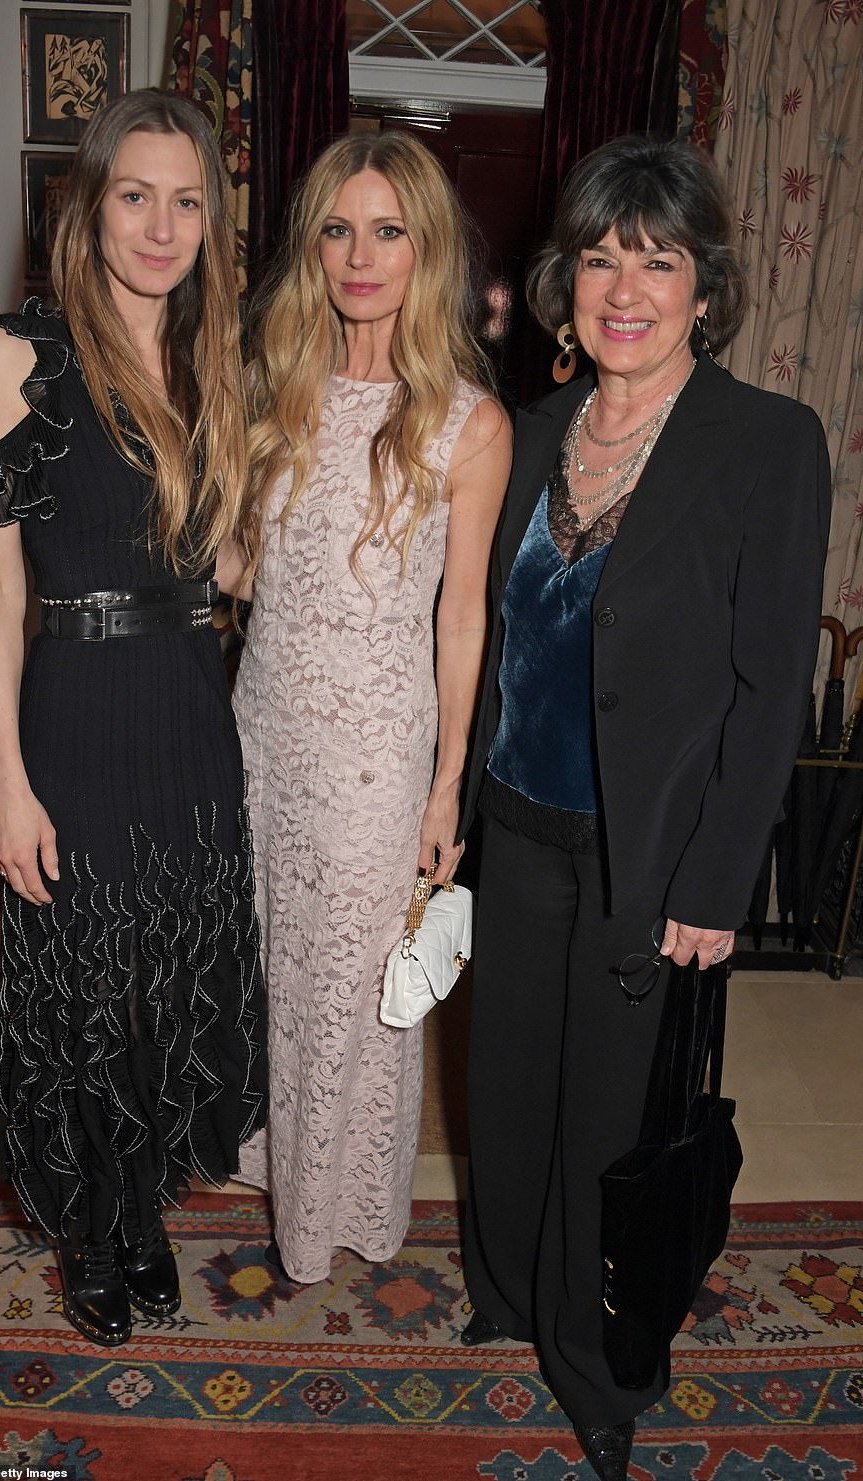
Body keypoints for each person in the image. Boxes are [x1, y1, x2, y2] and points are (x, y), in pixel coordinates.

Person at [456, 136, 831, 1479]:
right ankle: (503, 1293)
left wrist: (715, 887)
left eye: (656, 259)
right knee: (501, 1089)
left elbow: (766, 681)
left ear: (701, 287)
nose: (626, 285)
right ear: (567, 279)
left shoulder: (766, 442)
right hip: (514, 823)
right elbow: (484, 642)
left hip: (648, 854)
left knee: (604, 1120)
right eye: (602, 254)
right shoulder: (532, 429)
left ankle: (596, 1356)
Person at [0, 90, 267, 1347]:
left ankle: (141, 1211)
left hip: (187, 707)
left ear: (210, 221)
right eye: (136, 194)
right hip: (70, 709)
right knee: (80, 987)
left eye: (186, 201)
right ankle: (95, 1226)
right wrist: (4, 774)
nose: (160, 225)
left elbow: (226, 562)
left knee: (164, 988)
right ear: (88, 202)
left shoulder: (217, 356)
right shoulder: (14, 355)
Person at [219, 131, 511, 1284]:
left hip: (374, 753)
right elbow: (243, 569)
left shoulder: (466, 423)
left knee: (352, 990)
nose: (359, 254)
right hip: (260, 730)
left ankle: (328, 1217)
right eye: (338, 228)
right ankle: (274, 1169)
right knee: (269, 965)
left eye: (388, 230)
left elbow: (461, 621)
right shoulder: (272, 385)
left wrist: (445, 788)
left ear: (426, 251)